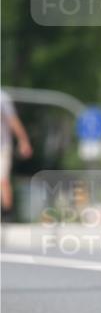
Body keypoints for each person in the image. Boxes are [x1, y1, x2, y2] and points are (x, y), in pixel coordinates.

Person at [1, 90, 32, 220]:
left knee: (2, 180)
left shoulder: (2, 98)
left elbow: (13, 121)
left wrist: (24, 140)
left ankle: (7, 215)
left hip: (2, 146)